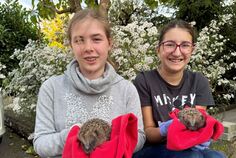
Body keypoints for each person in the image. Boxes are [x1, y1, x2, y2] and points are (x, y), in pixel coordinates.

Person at [33, 8, 145, 158]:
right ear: (71, 45)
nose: (88, 48)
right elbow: (40, 144)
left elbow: (138, 138)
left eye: (96, 39)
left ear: (109, 43)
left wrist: (104, 138)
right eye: (79, 40)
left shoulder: (126, 89)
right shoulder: (51, 88)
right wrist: (74, 135)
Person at [133, 20, 226, 158]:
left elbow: (197, 125)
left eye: (185, 45)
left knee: (216, 157)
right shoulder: (144, 81)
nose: (177, 52)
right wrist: (167, 129)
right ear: (158, 49)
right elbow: (149, 133)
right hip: (154, 148)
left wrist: (202, 133)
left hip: (189, 145)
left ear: (192, 50)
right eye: (170, 45)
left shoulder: (199, 81)